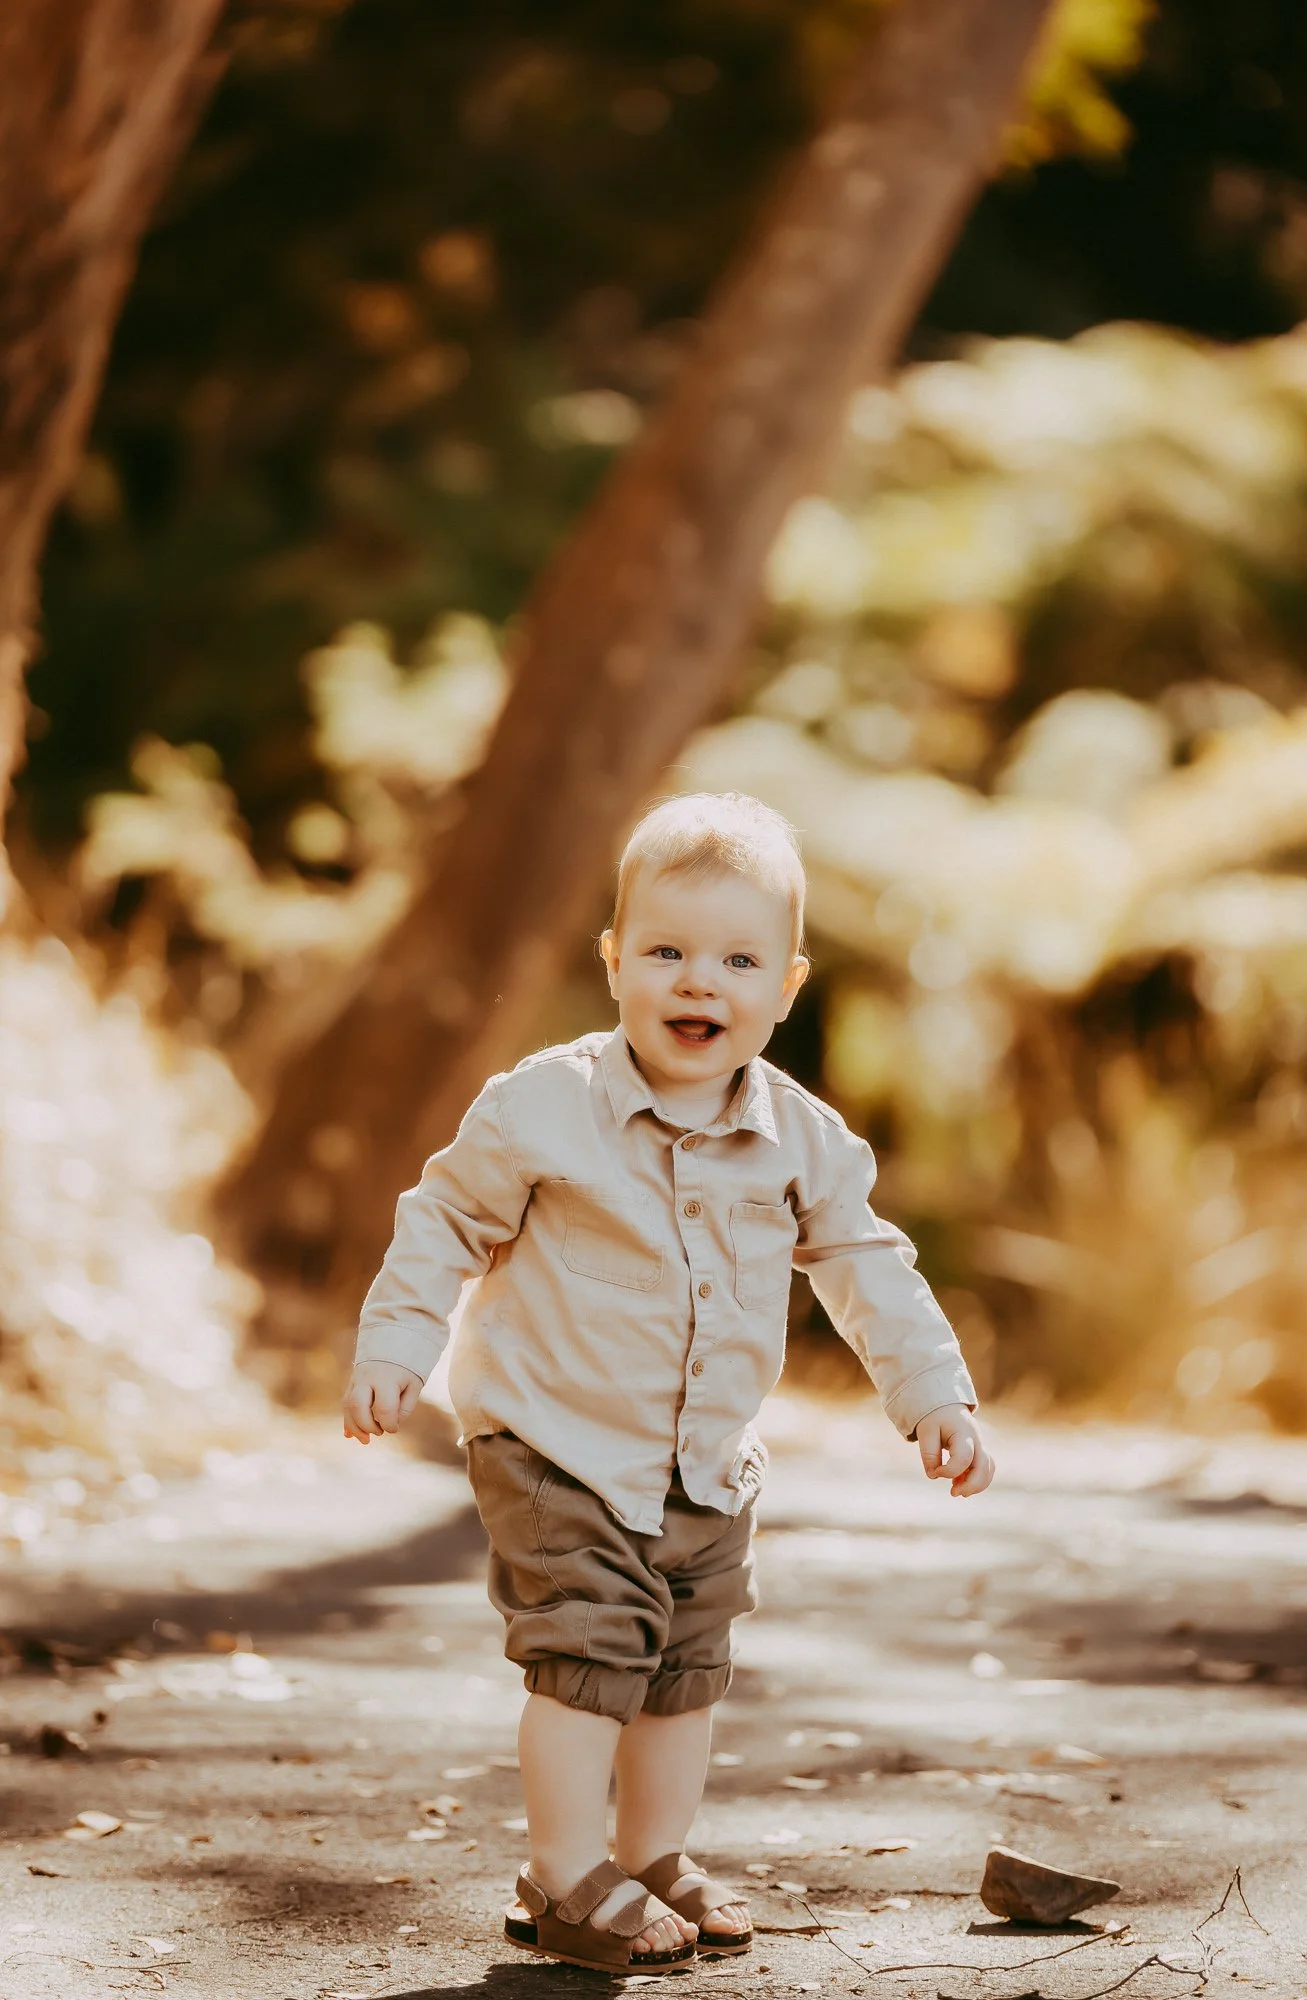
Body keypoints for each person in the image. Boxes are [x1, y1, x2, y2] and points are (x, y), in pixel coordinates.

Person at [342, 790, 994, 1974]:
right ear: (613, 963)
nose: (700, 981)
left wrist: (932, 1394)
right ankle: (562, 1871)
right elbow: (441, 1220)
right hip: (554, 1443)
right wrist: (396, 1345)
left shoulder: (799, 1138)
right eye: (666, 951)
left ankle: (649, 1855)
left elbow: (865, 1265)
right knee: (589, 1655)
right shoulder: (543, 1105)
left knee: (682, 1669)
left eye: (737, 958)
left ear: (786, 984)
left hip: (704, 1464)